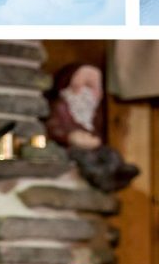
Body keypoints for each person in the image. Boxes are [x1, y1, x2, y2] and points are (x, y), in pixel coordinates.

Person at [45, 63, 139, 192]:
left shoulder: (93, 113)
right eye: (84, 86)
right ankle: (102, 178)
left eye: (91, 88)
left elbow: (96, 130)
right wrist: (70, 137)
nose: (86, 94)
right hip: (70, 148)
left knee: (110, 153)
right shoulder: (61, 107)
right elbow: (53, 127)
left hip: (91, 147)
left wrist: (95, 139)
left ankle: (118, 170)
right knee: (86, 159)